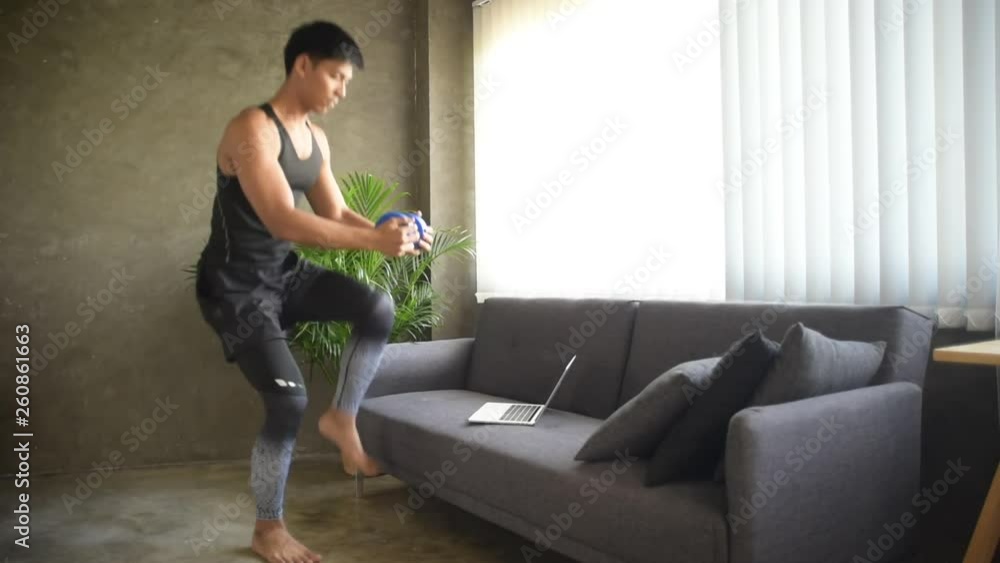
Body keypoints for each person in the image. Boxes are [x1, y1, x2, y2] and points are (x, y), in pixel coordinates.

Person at [193, 20, 431, 563]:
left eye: (348, 82)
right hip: (235, 287)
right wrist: (375, 242)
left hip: (284, 274)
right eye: (336, 77)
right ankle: (268, 528)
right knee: (287, 400)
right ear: (303, 65)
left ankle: (342, 417)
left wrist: (394, 233)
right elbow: (282, 219)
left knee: (376, 306)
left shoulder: (316, 138)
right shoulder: (253, 129)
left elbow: (336, 212)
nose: (342, 91)